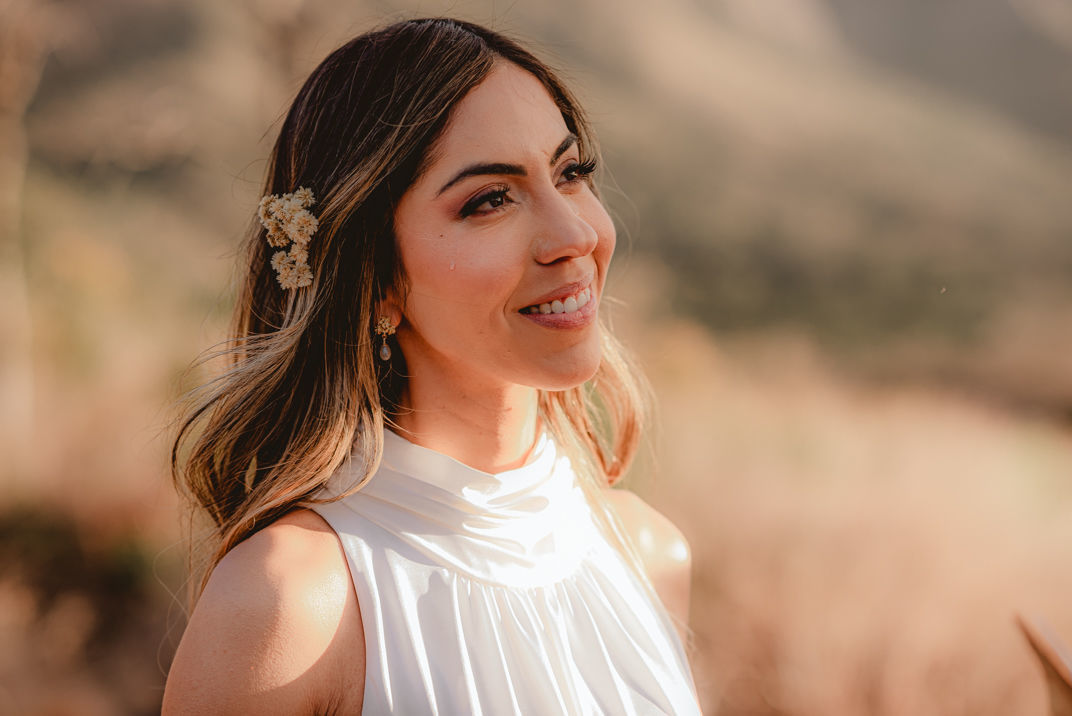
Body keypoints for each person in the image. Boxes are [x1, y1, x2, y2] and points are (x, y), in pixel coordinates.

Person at [163, 17, 700, 715]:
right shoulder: (290, 605)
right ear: (376, 279)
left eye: (570, 173)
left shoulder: (650, 555)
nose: (574, 235)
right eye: (489, 200)